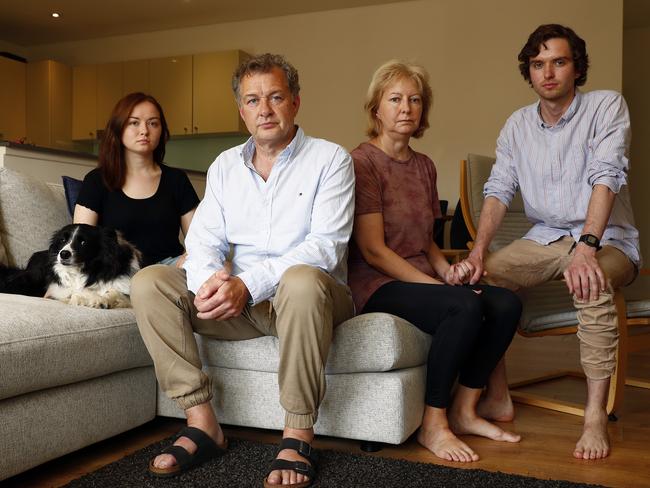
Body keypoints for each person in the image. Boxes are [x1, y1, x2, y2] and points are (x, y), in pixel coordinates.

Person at [130, 53, 355, 487]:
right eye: (252, 101)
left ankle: (297, 435)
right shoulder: (225, 165)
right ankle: (201, 423)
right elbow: (202, 241)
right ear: (242, 111)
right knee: (150, 281)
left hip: (309, 300)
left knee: (303, 278)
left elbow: (325, 248)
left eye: (275, 97)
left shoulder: (331, 159)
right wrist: (211, 285)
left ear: (296, 102)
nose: (264, 110)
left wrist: (246, 286)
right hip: (236, 305)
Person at [456, 24, 640, 460]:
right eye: (538, 64)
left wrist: (586, 248)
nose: (548, 72)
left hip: (607, 239)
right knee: (483, 282)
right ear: (529, 71)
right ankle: (496, 394)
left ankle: (594, 416)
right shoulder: (517, 125)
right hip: (544, 239)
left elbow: (606, 175)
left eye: (559, 61)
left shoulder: (606, 106)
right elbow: (498, 189)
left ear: (576, 67)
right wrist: (478, 251)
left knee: (589, 281)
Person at [347, 60, 522, 463]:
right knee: (463, 305)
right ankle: (434, 422)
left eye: (415, 100)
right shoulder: (362, 163)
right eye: (395, 99)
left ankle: (465, 408)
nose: (406, 108)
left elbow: (425, 241)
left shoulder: (424, 165)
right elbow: (373, 250)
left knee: (505, 303)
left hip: (418, 275)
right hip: (375, 283)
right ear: (376, 109)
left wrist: (449, 271)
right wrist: (437, 287)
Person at [74, 92, 199, 267]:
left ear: (161, 130)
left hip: (168, 269)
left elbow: (200, 243)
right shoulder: (96, 181)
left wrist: (188, 262)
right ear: (119, 128)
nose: (144, 131)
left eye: (153, 123)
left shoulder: (177, 180)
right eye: (134, 122)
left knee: (222, 267)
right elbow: (80, 243)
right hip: (117, 270)